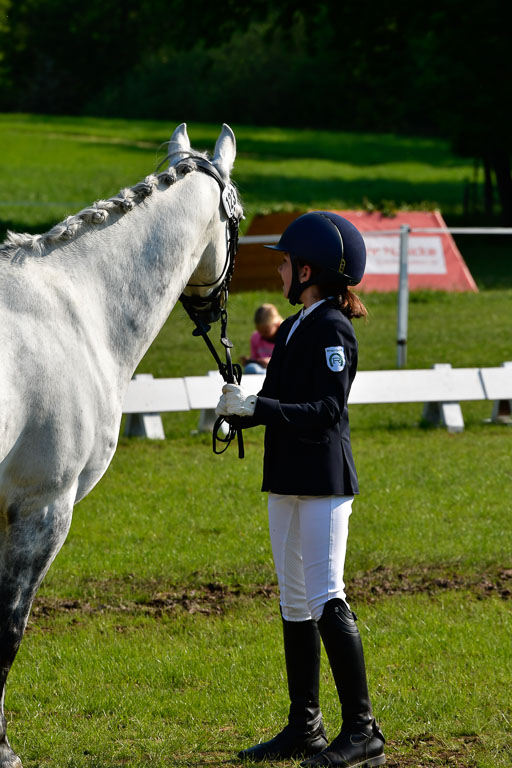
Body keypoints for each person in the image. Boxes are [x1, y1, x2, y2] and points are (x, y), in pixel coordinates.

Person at [216, 212, 385, 767]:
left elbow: (327, 409)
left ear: (308, 271)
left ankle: (363, 731)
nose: (280, 271)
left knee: (325, 595)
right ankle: (304, 726)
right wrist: (241, 410)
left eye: (286, 263)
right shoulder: (291, 327)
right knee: (293, 600)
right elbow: (282, 400)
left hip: (322, 481)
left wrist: (261, 407)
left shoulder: (333, 328)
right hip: (286, 477)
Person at [241, 303, 283, 374]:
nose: (262, 334)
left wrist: (272, 362)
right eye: (259, 331)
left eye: (266, 331)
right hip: (261, 370)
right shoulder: (256, 337)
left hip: (280, 370)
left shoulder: (285, 336)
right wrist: (251, 361)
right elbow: (255, 358)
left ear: (277, 324)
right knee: (250, 368)